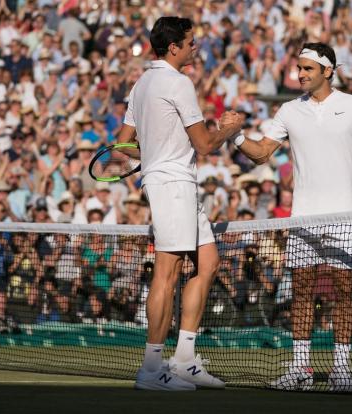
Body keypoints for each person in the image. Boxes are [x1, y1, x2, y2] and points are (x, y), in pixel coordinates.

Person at [234, 43, 352, 392]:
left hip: (343, 217)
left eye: (307, 69)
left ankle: (341, 370)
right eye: (298, 69)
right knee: (301, 292)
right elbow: (261, 154)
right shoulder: (289, 110)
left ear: (327, 71)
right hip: (302, 218)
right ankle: (300, 367)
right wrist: (237, 136)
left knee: (343, 293)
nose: (300, 74)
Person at [116, 16, 242, 391]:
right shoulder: (178, 82)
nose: (195, 48)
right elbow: (205, 144)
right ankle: (151, 370)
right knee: (166, 274)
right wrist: (230, 129)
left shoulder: (141, 84)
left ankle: (184, 358)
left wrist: (152, 152)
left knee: (208, 261)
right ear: (174, 47)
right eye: (190, 42)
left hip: (177, 182)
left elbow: (123, 144)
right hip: (172, 185)